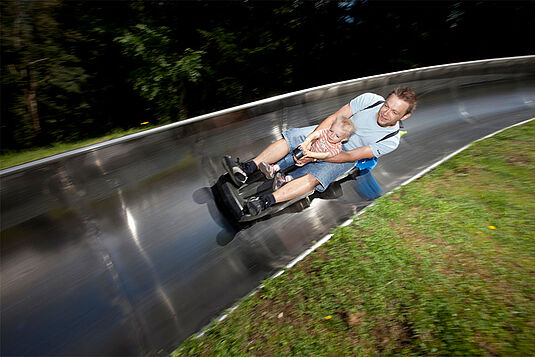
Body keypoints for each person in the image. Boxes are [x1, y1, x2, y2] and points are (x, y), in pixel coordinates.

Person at [222, 87, 418, 216]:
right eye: (387, 106)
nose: (385, 113)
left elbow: (351, 156)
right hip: (332, 133)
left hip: (345, 155)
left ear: (405, 116)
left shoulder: (390, 141)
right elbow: (335, 118)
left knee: (316, 177)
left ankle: (265, 202)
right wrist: (310, 141)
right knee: (295, 137)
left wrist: (316, 156)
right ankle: (247, 168)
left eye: (394, 112)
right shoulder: (370, 100)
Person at [258, 116, 355, 191]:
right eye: (331, 131)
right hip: (309, 151)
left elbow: (325, 155)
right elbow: (316, 134)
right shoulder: (326, 133)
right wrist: (306, 142)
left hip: (316, 160)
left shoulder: (337, 148)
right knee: (294, 156)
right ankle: (274, 169)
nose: (331, 135)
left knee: (304, 172)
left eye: (337, 136)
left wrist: (311, 155)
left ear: (344, 139)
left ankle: (285, 180)